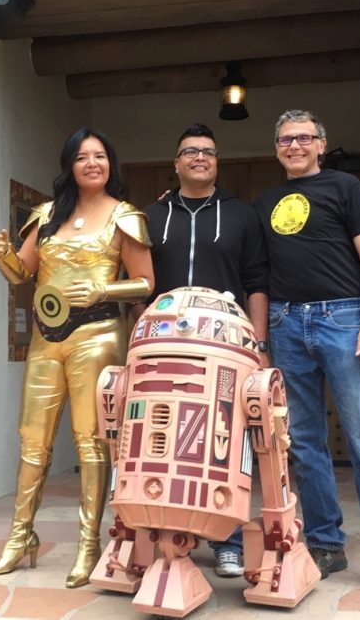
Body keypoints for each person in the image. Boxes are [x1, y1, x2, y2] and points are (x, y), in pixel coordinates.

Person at [253, 110, 360, 597]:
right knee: (303, 444)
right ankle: (326, 543)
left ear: (321, 144)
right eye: (286, 139)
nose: (295, 146)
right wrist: (262, 340)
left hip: (342, 319)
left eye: (304, 138)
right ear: (276, 147)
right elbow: (258, 276)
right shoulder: (265, 201)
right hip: (285, 323)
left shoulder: (345, 187)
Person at [0, 128, 154, 588]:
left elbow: (145, 283)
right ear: (70, 166)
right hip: (46, 335)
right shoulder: (46, 215)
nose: (92, 163)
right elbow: (23, 273)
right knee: (32, 439)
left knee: (90, 442)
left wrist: (104, 288)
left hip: (98, 333)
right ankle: (19, 539)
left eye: (100, 156)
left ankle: (88, 544)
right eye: (82, 157)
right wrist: (2, 258)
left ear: (111, 164)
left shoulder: (125, 216)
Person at [137, 123, 270, 579]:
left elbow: (256, 282)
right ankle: (174, 538)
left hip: (227, 347)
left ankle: (228, 541)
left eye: (208, 152)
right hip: (166, 346)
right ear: (175, 163)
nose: (200, 157)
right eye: (190, 151)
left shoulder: (241, 215)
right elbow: (140, 286)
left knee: (224, 442)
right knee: (167, 441)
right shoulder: (150, 217)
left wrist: (260, 342)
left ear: (217, 162)